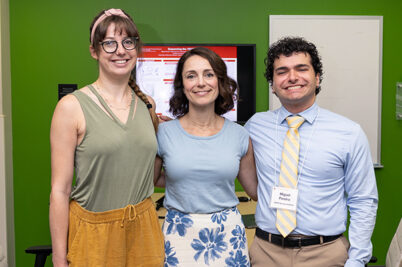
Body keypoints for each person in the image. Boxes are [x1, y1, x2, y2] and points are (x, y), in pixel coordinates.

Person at [245, 37, 378, 267]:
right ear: (273, 84)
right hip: (266, 253)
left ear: (317, 78)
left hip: (326, 254)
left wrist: (357, 259)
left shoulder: (349, 132)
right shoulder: (255, 126)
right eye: (282, 71)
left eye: (301, 68)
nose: (292, 77)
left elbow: (363, 200)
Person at [49, 8, 164, 267]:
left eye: (128, 42)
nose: (120, 51)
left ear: (137, 47)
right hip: (93, 234)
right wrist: (59, 259)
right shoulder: (71, 107)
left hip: (144, 233)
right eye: (109, 43)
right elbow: (59, 190)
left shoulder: (148, 106)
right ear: (94, 51)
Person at [154, 47, 258, 266]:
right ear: (182, 85)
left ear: (220, 81)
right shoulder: (163, 134)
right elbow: (152, 180)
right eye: (191, 76)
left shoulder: (240, 135)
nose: (201, 82)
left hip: (227, 236)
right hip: (178, 235)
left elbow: (255, 191)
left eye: (209, 74)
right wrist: (181, 178)